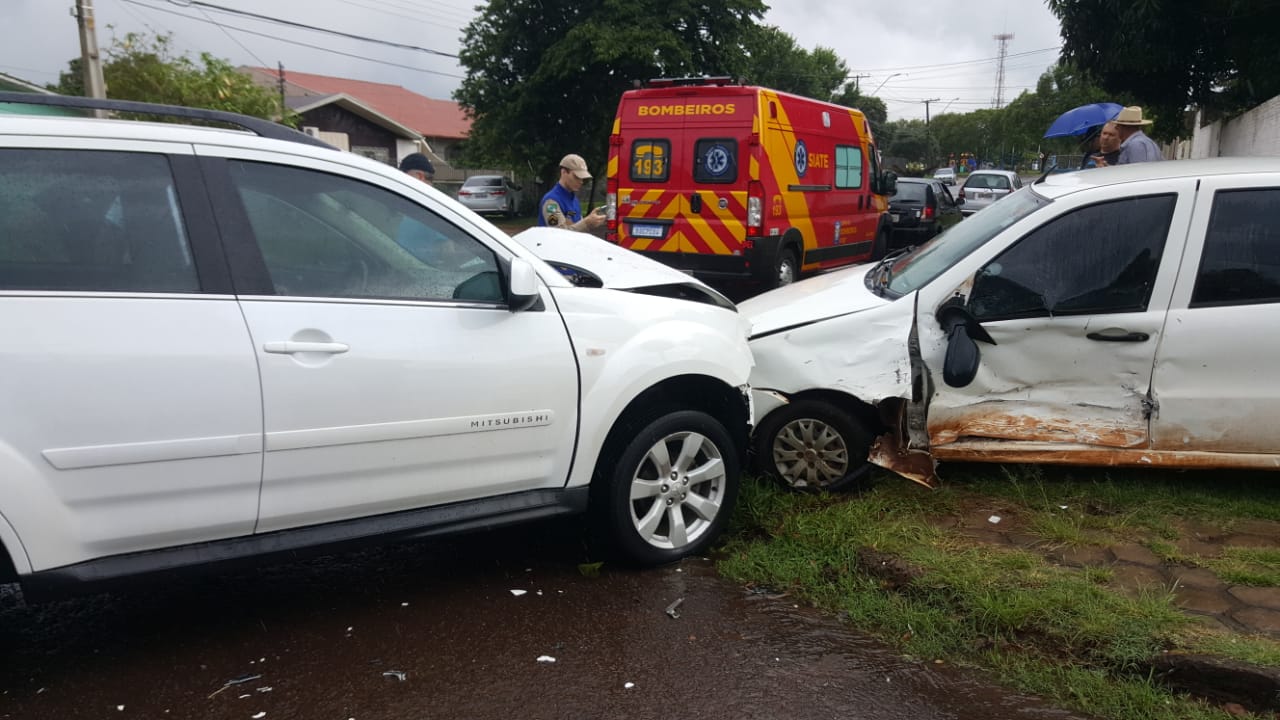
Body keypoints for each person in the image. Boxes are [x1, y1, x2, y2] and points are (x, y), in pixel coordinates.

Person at [538, 153, 606, 233]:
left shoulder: (574, 200)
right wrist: (587, 223)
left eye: (582, 178)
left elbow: (576, 226)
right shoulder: (551, 202)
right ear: (563, 172)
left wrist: (592, 222)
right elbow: (558, 233)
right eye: (577, 177)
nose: (581, 181)